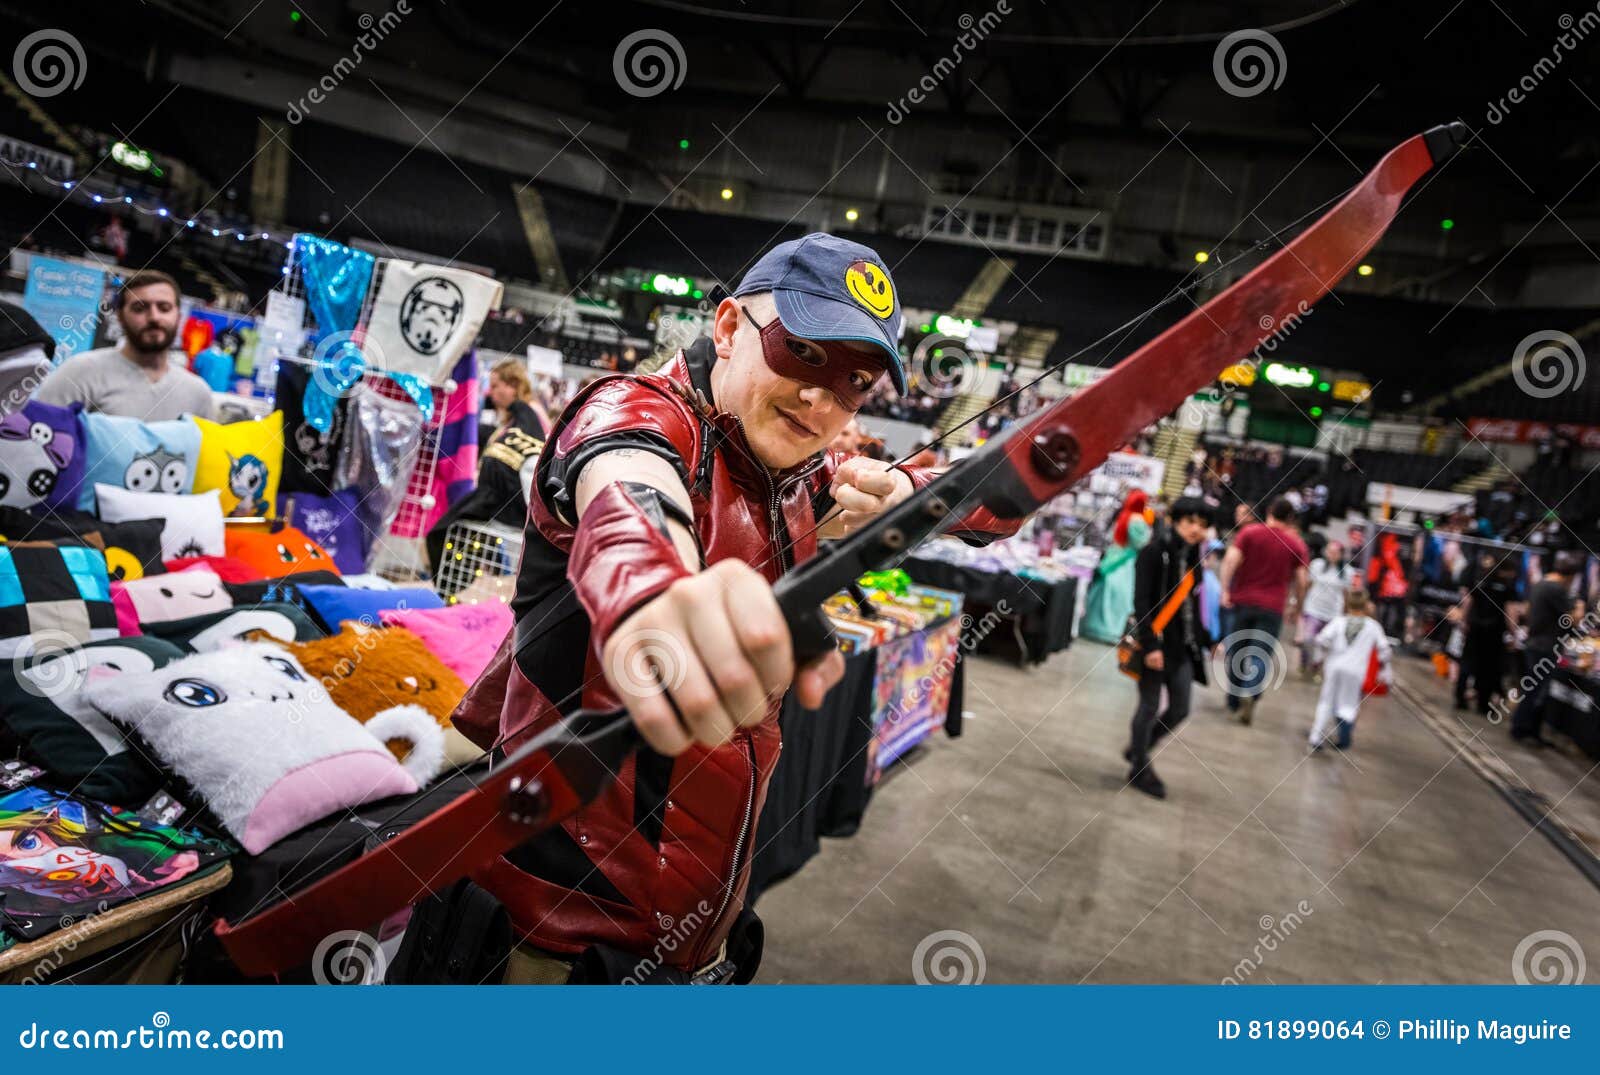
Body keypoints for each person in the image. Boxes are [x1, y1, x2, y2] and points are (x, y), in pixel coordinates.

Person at [449, 233, 1019, 982]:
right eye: (802, 352)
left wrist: (913, 496)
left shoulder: (789, 475)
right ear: (727, 329)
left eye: (855, 380)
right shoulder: (635, 415)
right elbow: (629, 492)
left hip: (688, 943)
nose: (823, 398)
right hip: (553, 949)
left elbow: (998, 505)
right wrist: (662, 600)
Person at [33, 270, 214, 422]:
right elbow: (34, 439)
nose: (154, 317)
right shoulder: (79, 373)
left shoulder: (198, 394)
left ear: (179, 317)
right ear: (119, 316)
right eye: (139, 308)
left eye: (164, 308)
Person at [426, 359, 550, 579]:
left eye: (495, 386)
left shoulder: (530, 415)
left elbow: (532, 469)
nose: (490, 392)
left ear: (512, 385)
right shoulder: (516, 417)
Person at [1123, 497, 1212, 799]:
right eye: (1190, 522)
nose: (1196, 529)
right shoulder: (1154, 552)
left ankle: (1139, 748)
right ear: (1175, 521)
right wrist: (1150, 645)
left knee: (1180, 708)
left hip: (1183, 649)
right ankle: (1139, 767)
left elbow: (1192, 604)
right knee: (1148, 707)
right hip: (1155, 646)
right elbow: (1141, 602)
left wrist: (1206, 639)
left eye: (1202, 525)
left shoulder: (1195, 556)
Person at [1219, 495, 1309, 724]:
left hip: (1244, 602)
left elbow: (1231, 560)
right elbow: (1302, 580)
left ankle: (1234, 698)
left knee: (1236, 650)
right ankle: (1251, 692)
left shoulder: (1250, 533)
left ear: (1269, 511)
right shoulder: (1296, 544)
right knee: (1261, 654)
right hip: (1273, 608)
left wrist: (1225, 590)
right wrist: (1297, 607)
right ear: (1290, 518)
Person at [1509, 550, 1585, 747]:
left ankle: (1529, 730)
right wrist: (1580, 606)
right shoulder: (1556, 589)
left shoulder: (1540, 584)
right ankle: (1521, 728)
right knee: (1535, 691)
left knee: (1534, 689)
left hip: (1536, 643)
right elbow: (1573, 619)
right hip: (1544, 647)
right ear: (1570, 576)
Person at [1308, 589, 1390, 751]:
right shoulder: (1373, 626)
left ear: (1347, 603)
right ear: (1366, 606)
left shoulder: (1339, 621)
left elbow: (1322, 639)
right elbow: (1385, 649)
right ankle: (1344, 735)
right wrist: (1383, 668)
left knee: (1326, 700)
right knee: (1348, 701)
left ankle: (1316, 737)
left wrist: (1320, 657)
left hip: (1334, 666)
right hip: (1356, 670)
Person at [1080, 489, 1153, 643]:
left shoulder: (1124, 516)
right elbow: (1140, 543)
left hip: (1114, 558)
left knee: (1105, 594)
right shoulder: (1138, 519)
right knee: (1122, 598)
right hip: (1126, 562)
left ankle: (1094, 627)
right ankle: (1112, 630)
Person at [1454, 551, 1516, 715]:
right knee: (1487, 668)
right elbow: (1509, 611)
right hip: (1493, 632)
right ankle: (1483, 703)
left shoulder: (1482, 579)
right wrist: (1513, 632)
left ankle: (1460, 698)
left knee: (1467, 662)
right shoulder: (1506, 585)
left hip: (1475, 627)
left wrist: (1464, 621)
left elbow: (1469, 602)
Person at [1298, 540, 1356, 676]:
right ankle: (1304, 662)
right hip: (1313, 608)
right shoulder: (1317, 565)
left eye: (1335, 553)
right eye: (1329, 551)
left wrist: (1346, 613)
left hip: (1333, 613)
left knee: (1325, 643)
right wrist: (1299, 603)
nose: (1331, 555)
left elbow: (1347, 594)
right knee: (1308, 639)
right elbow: (1307, 584)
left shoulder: (1347, 572)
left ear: (1341, 555)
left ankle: (1317, 667)